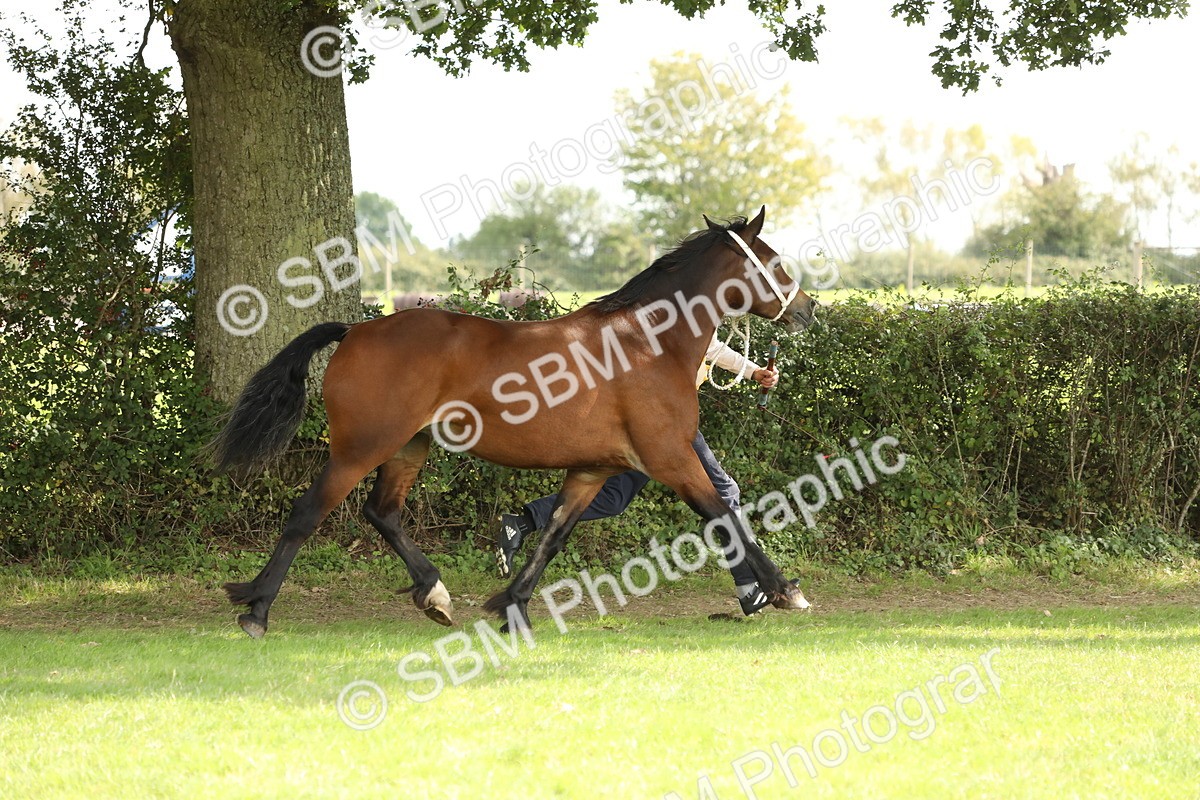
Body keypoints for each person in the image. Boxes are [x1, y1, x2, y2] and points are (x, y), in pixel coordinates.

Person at [494, 331, 784, 616]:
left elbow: (711, 346)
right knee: (724, 492)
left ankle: (521, 523)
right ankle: (748, 587)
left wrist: (753, 372)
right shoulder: (679, 308)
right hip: (664, 426)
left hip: (648, 425)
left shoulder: (686, 308)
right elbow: (701, 343)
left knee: (612, 497)